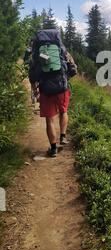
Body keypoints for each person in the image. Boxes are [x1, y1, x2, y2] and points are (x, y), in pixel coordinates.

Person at [29, 29, 77, 158]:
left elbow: (32, 76)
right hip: (62, 87)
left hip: (45, 89)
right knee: (64, 111)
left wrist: (35, 91)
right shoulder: (62, 51)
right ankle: (63, 136)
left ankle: (54, 149)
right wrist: (65, 79)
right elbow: (73, 69)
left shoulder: (36, 54)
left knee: (49, 120)